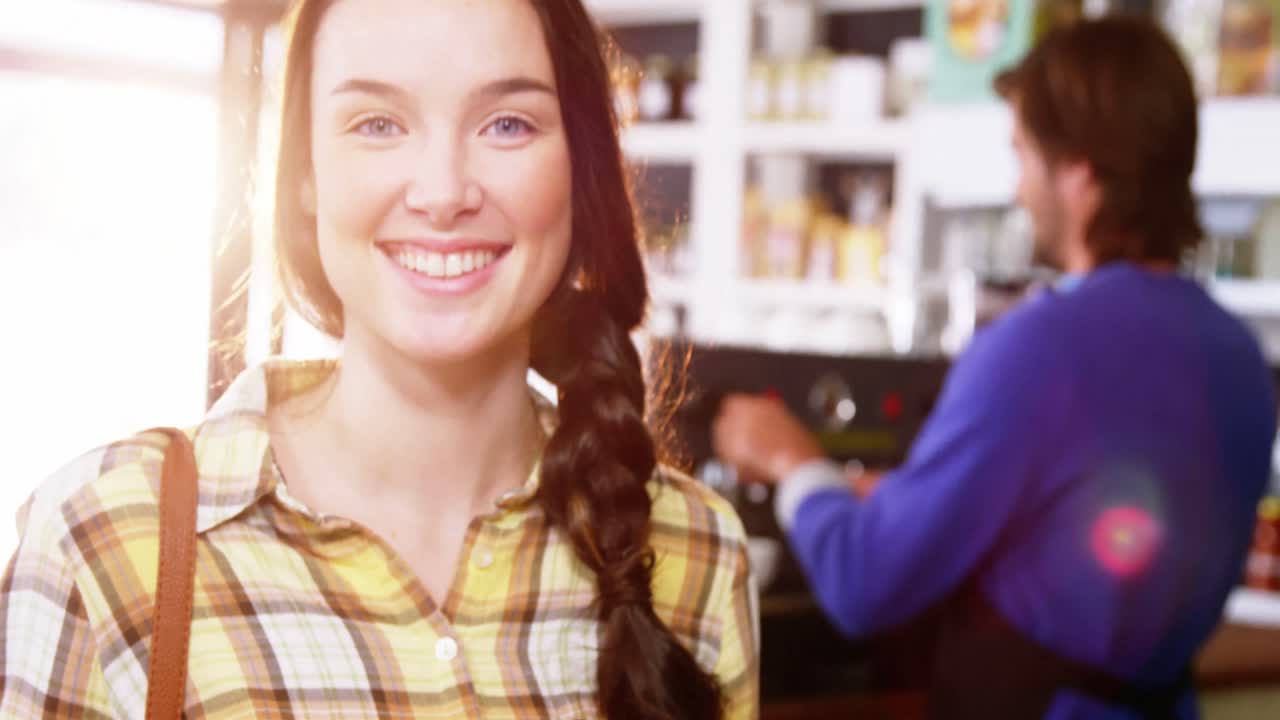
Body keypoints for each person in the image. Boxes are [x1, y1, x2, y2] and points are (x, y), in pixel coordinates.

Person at [0, 1, 758, 718]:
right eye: (376, 123)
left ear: (580, 171)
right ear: (302, 176)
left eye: (506, 123)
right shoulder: (102, 539)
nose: (442, 192)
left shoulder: (695, 548)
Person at [713, 16, 1275, 719]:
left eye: (1023, 155)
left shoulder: (1041, 346)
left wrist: (791, 460)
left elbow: (865, 584)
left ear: (1080, 171)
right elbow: (1075, 524)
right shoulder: (1238, 355)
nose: (1017, 191)